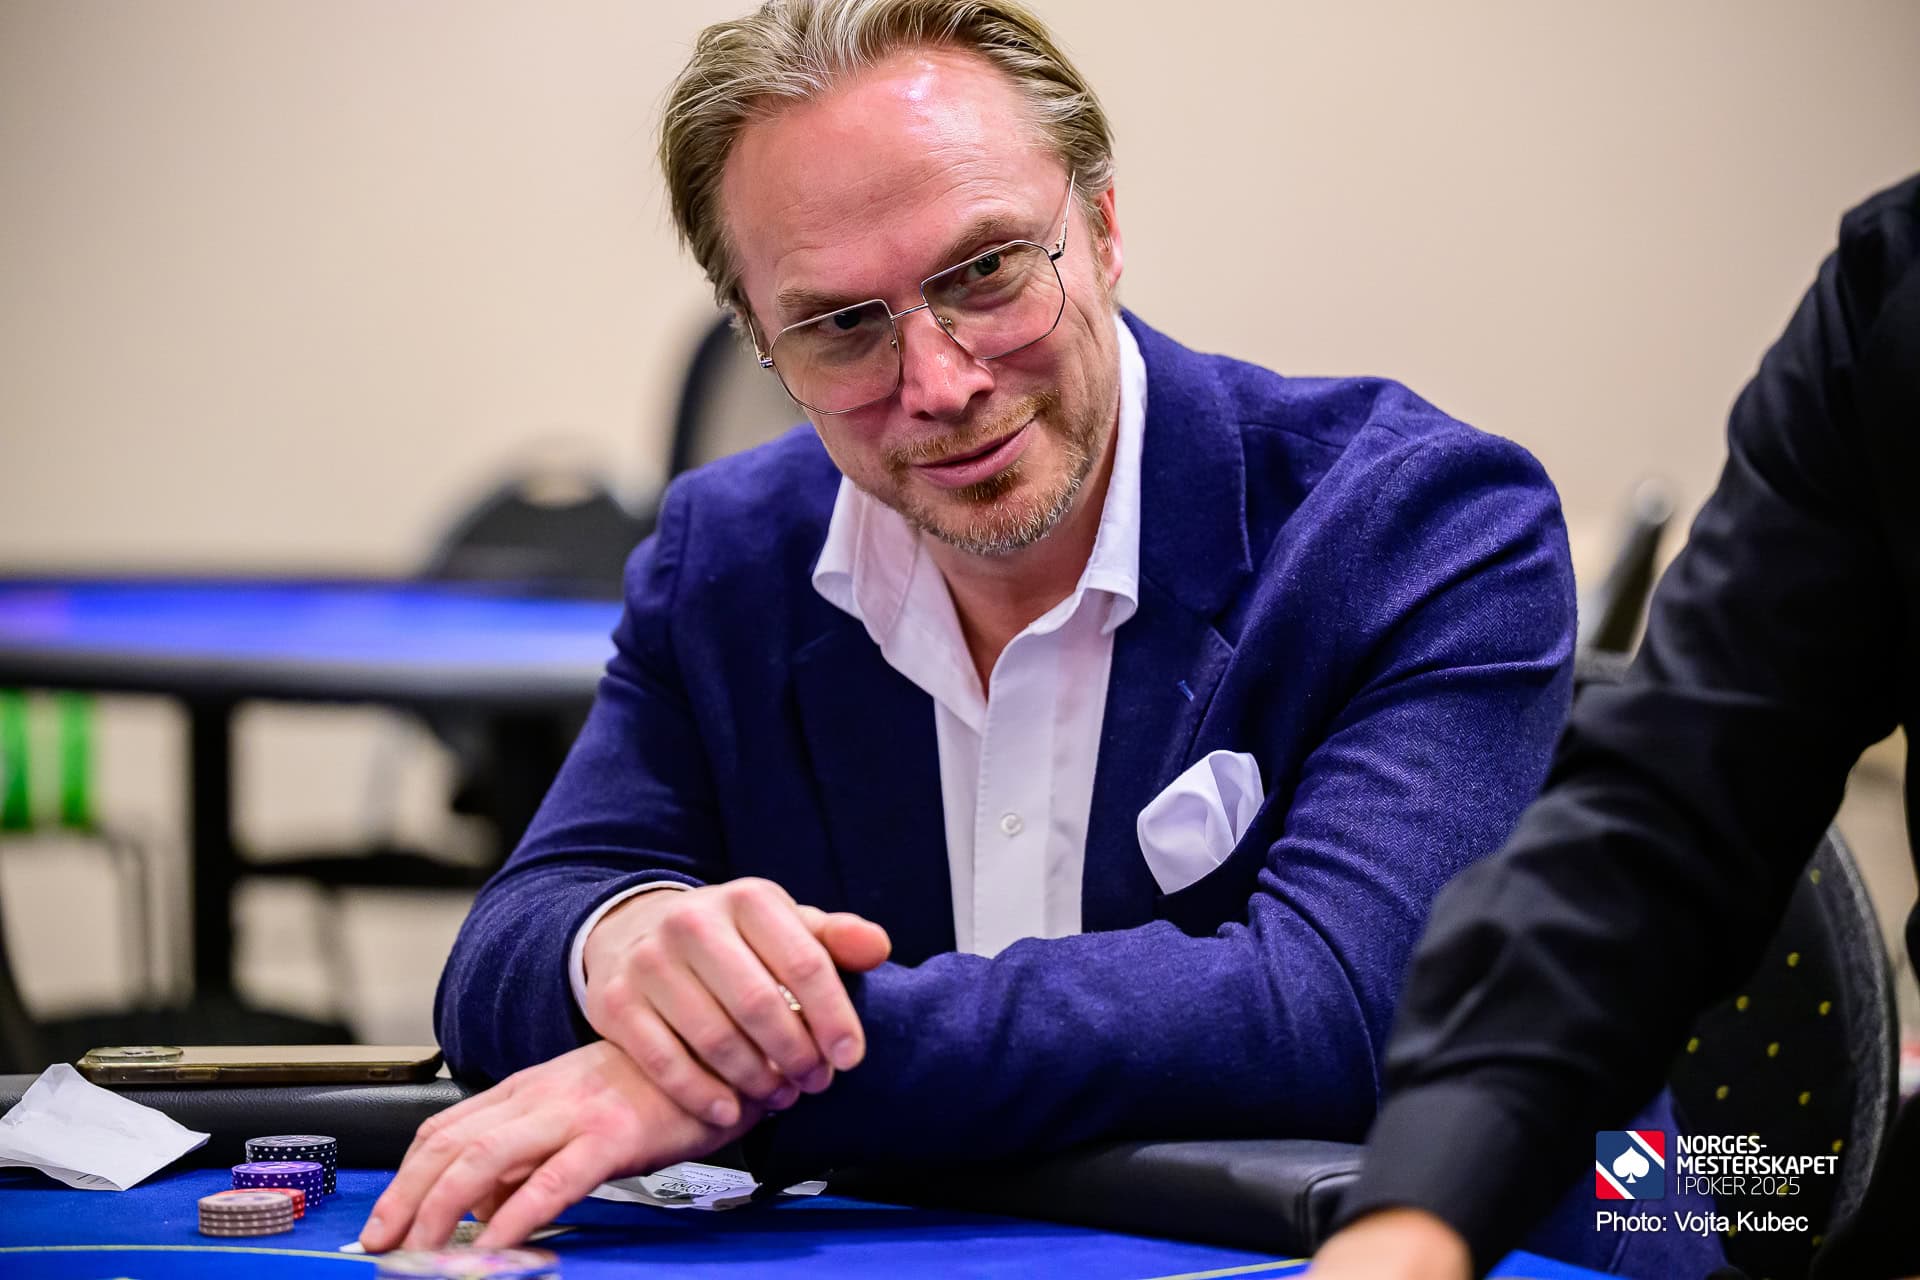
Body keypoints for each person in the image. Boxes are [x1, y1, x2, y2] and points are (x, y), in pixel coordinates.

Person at [357, 0, 1583, 1254]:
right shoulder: (725, 558)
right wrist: (620, 945)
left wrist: (740, 1070)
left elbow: (1339, 1010)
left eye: (988, 270)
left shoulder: (1420, 525)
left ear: (1103, 225)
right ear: (763, 344)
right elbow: (510, 948)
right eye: (842, 325)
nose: (942, 384)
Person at [1311, 170, 1920, 1280]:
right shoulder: (1896, 292)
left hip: (1656, 1207)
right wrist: (1418, 1213)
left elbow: (1327, 988)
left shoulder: (1445, 522)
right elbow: (1668, 806)